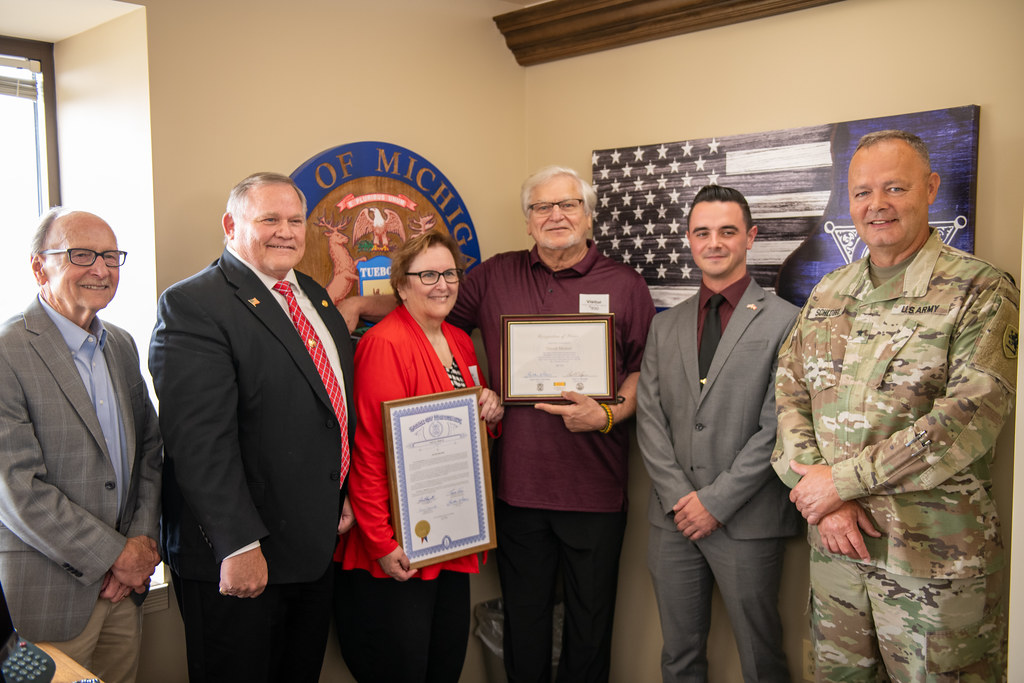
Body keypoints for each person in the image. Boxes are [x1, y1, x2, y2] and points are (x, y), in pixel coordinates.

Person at [773, 130, 1018, 681]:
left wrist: (844, 481)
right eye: (862, 193)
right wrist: (826, 498)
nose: (876, 205)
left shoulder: (980, 289)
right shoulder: (828, 292)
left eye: (894, 188)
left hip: (934, 565)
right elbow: (788, 393)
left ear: (930, 189)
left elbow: (967, 420)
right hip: (838, 553)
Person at [449, 166, 655, 682]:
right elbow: (433, 321)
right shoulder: (495, 275)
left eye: (568, 205)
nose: (555, 215)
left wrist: (607, 413)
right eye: (542, 207)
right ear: (527, 221)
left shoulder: (625, 285)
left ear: (588, 216)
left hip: (594, 489)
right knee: (525, 620)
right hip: (517, 487)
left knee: (589, 626)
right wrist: (472, 385)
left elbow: (643, 372)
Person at [149, 172, 356, 682]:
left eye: (294, 220)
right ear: (231, 225)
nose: (285, 231)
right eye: (269, 219)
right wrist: (238, 545)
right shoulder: (195, 304)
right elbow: (199, 443)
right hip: (242, 556)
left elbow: (327, 408)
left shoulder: (309, 293)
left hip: (311, 544)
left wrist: (341, 491)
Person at [636, 185, 799, 682]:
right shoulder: (666, 325)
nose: (714, 242)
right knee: (678, 656)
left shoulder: (787, 321)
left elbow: (780, 427)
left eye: (727, 231)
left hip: (747, 520)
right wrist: (681, 497)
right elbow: (649, 417)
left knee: (761, 655)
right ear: (688, 239)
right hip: (673, 519)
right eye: (702, 232)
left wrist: (716, 502)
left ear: (750, 238)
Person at [334, 229, 503, 682]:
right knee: (402, 667)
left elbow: (470, 425)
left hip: (450, 535)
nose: (442, 284)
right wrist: (382, 542)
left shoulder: (459, 340)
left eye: (449, 273)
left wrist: (489, 407)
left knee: (443, 661)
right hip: (398, 544)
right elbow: (368, 451)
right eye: (427, 274)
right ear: (402, 285)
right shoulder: (384, 344)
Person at [0, 209, 162, 683]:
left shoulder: (122, 345)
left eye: (111, 256)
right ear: (38, 267)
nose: (101, 268)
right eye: (82, 255)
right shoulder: (8, 353)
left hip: (124, 594)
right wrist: (116, 556)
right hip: (50, 597)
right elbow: (17, 489)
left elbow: (150, 452)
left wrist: (140, 546)